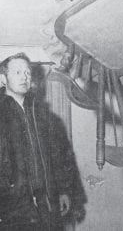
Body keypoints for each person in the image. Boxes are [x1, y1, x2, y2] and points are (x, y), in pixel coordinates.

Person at [0, 53, 86, 230]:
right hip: (11, 206)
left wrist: (63, 190)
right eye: (17, 72)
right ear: (3, 78)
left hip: (47, 201)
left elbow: (60, 156)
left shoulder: (44, 116)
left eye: (27, 72)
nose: (24, 77)